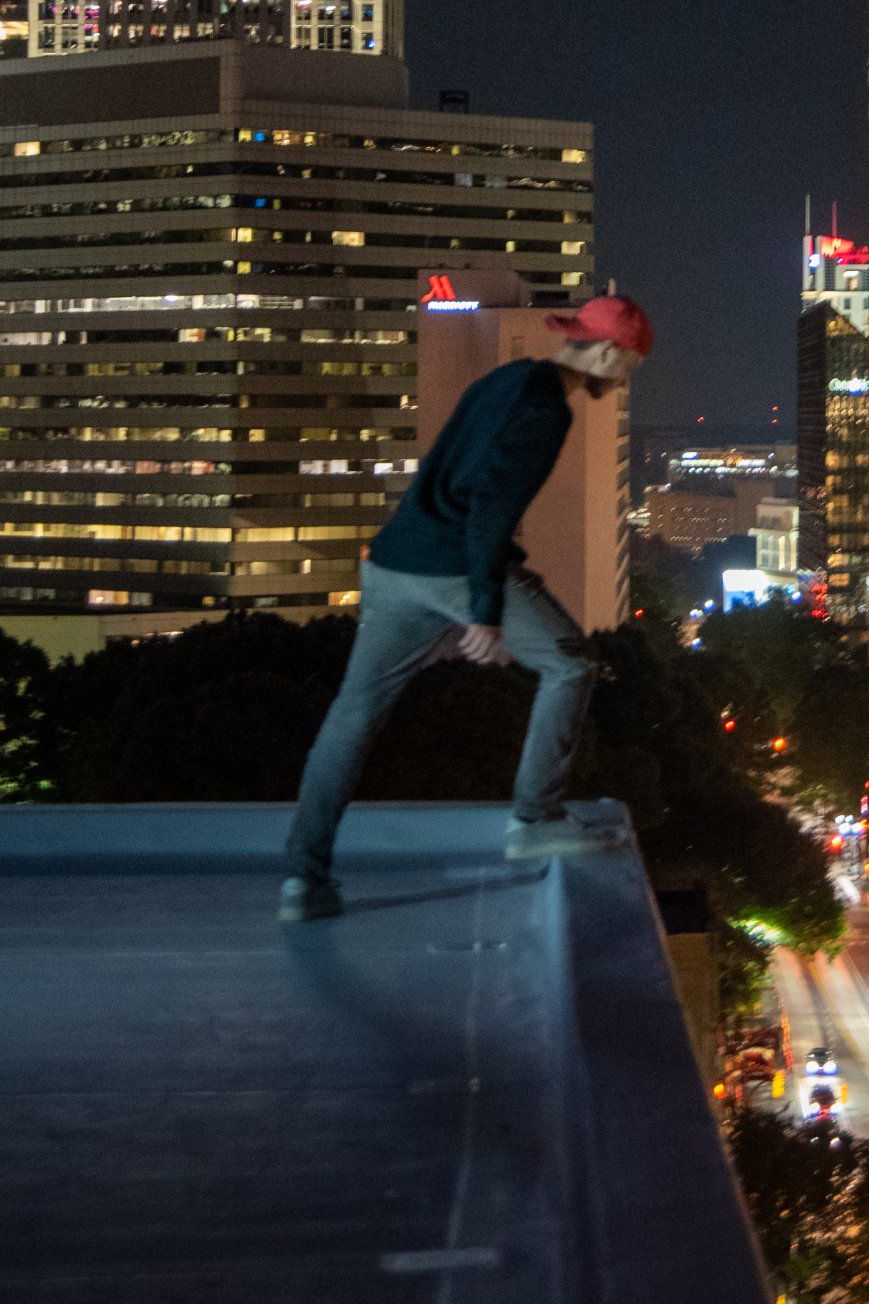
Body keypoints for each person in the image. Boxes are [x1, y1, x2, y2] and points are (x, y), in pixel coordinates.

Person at [278, 292, 655, 920]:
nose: (626, 381)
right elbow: (490, 506)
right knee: (570, 664)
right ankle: (535, 817)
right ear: (610, 353)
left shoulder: (508, 378)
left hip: (394, 563)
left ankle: (302, 881)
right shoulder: (544, 412)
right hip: (456, 565)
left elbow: (446, 468)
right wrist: (482, 610)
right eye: (631, 365)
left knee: (353, 714)